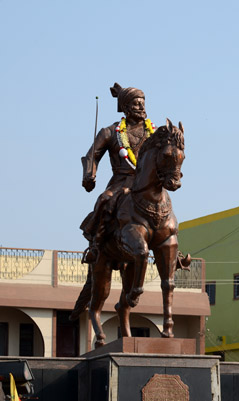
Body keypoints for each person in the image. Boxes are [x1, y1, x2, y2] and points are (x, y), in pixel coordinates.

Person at [70, 83, 155, 320]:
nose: (141, 106)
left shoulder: (153, 131)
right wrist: (89, 174)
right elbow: (91, 155)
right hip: (121, 182)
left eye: (143, 102)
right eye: (136, 103)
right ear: (125, 107)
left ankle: (169, 250)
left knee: (164, 210)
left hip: (146, 185)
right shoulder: (110, 132)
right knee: (105, 201)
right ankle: (96, 246)